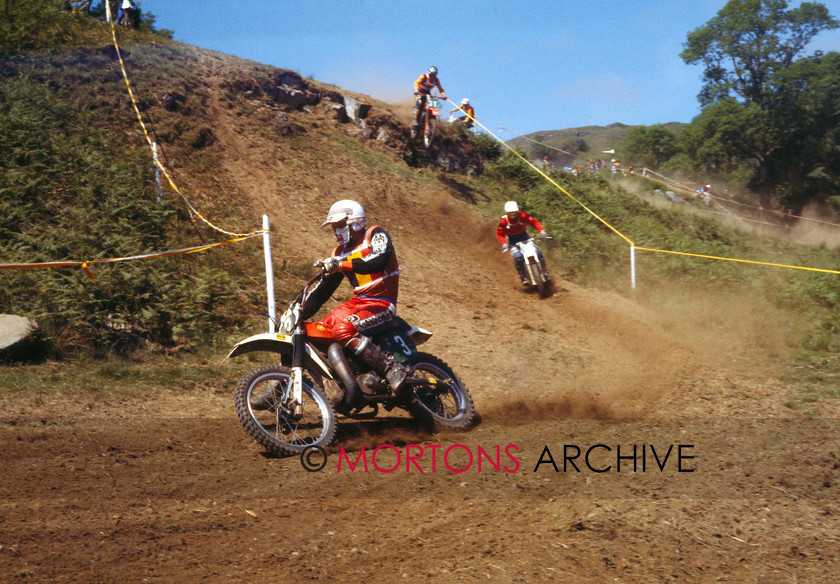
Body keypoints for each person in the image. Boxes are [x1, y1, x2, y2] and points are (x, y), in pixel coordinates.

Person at [283, 200, 410, 395]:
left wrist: (342, 265)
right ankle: (284, 384)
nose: (336, 231)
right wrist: (299, 309)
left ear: (355, 222)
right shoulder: (339, 253)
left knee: (343, 329)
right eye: (334, 227)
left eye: (340, 225)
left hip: (383, 303)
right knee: (318, 331)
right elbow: (324, 289)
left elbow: (378, 260)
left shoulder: (375, 234)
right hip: (359, 303)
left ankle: (391, 368)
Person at [497, 201, 549, 285]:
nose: (513, 215)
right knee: (517, 257)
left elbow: (534, 223)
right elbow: (500, 234)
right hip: (512, 240)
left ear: (517, 211)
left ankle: (544, 271)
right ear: (506, 213)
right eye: (510, 213)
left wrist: (542, 231)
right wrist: (503, 244)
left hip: (524, 236)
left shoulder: (523, 216)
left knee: (538, 252)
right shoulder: (503, 222)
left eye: (514, 213)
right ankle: (523, 276)